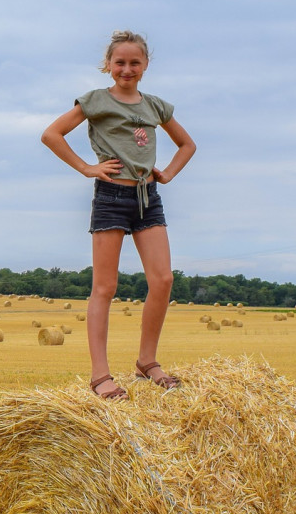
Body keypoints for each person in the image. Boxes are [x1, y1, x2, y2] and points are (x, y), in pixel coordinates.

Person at [41, 30, 196, 400]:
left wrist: (168, 173)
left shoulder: (156, 106)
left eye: (134, 62)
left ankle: (147, 361)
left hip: (148, 198)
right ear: (108, 65)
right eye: (120, 62)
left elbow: (187, 144)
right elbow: (52, 134)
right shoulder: (95, 100)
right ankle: (100, 376)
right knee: (105, 287)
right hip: (111, 196)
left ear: (145, 66)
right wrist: (86, 168)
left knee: (163, 280)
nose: (127, 69)